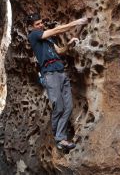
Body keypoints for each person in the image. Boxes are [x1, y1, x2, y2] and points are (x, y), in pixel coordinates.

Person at [27, 13, 87, 150]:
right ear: (31, 27)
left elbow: (60, 51)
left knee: (69, 107)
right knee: (58, 106)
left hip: (61, 72)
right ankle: (59, 137)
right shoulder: (34, 35)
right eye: (37, 24)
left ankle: (60, 137)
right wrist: (77, 22)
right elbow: (57, 30)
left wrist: (69, 44)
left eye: (41, 23)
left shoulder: (48, 40)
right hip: (50, 74)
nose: (41, 25)